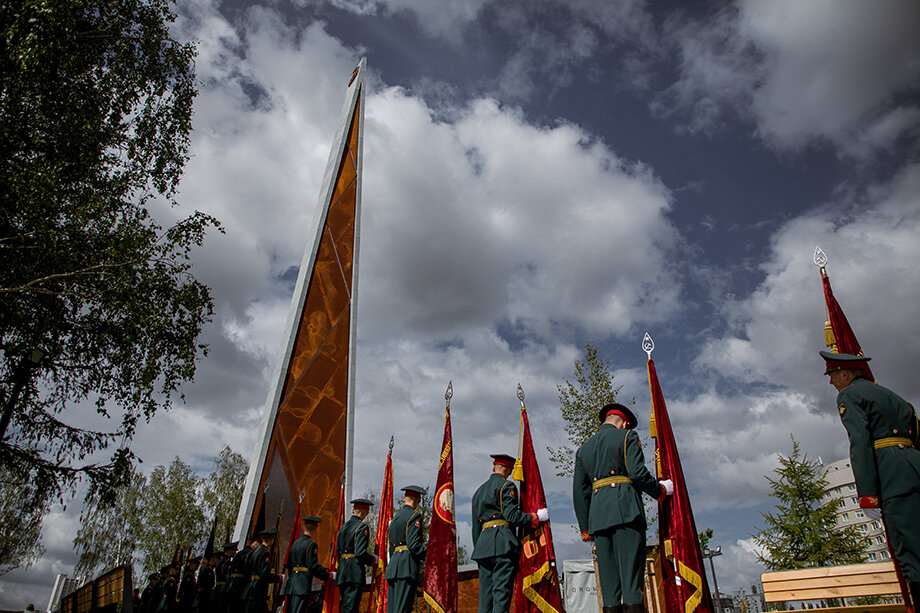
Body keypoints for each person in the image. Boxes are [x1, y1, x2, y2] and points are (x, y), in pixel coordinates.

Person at [821, 350, 920, 606]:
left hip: (892, 476)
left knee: (910, 553)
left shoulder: (850, 395)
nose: (831, 382)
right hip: (914, 467)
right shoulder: (895, 397)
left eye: (832, 375)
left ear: (844, 373)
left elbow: (860, 442)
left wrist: (867, 494)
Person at [573, 403, 673, 613]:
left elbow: (580, 493)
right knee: (631, 582)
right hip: (626, 511)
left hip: (598, 518)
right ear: (624, 423)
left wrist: (585, 528)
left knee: (609, 587)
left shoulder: (584, 449)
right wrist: (660, 491)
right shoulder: (627, 437)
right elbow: (637, 472)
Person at [471, 454, 549, 613]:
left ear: (494, 467)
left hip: (482, 547)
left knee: (485, 597)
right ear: (509, 470)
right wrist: (535, 518)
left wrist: (479, 548)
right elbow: (512, 517)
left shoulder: (477, 493)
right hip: (502, 544)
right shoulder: (507, 487)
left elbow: (475, 527)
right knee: (501, 594)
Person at [385, 485, 427, 613]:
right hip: (406, 567)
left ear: (404, 499)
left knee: (392, 609)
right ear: (418, 500)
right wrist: (430, 555)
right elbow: (414, 545)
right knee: (403, 608)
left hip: (394, 567)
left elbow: (392, 547)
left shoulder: (395, 518)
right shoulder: (414, 516)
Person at [282, 515, 330, 613]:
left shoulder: (295, 544)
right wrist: (326, 575)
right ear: (315, 529)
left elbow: (290, 566)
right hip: (302, 585)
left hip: (291, 585)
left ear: (304, 527)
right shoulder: (311, 545)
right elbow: (313, 566)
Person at [336, 498, 376, 613]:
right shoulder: (362, 527)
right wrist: (371, 560)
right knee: (352, 608)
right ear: (366, 513)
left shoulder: (342, 528)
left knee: (346, 607)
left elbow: (338, 550)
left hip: (343, 571)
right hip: (354, 572)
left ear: (353, 510)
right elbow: (360, 553)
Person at [241, 528, 281, 613]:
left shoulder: (255, 551)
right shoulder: (265, 553)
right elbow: (264, 574)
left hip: (251, 587)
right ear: (271, 539)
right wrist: (277, 578)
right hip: (258, 590)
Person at [212, 541, 237, 613]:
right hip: (224, 590)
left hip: (218, 589)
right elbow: (227, 577)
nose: (235, 552)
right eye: (234, 550)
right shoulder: (227, 562)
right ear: (230, 550)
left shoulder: (221, 561)